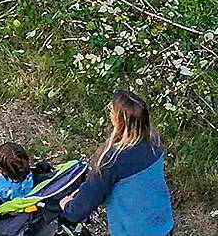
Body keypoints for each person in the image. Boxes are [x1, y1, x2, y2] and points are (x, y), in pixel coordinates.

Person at [60, 92, 174, 236]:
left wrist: (68, 207)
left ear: (119, 120)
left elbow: (83, 205)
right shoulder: (155, 141)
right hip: (163, 223)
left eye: (111, 109)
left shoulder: (111, 160)